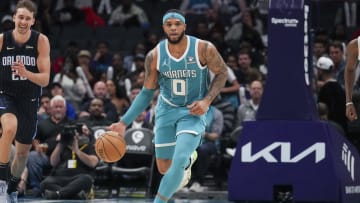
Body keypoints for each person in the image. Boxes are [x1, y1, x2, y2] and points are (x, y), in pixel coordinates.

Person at [109, 9, 228, 203]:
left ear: (184, 26)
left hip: (192, 111)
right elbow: (147, 93)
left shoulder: (203, 48)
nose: (173, 28)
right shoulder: (154, 55)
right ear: (164, 27)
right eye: (169, 24)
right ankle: (189, 160)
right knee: (164, 167)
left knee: (178, 160)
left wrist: (206, 100)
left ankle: (160, 200)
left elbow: (222, 72)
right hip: (166, 109)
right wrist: (123, 123)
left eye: (177, 24)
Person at [0, 0, 51, 202]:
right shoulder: (3, 40)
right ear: (14, 18)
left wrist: (26, 73)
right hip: (6, 95)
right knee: (9, 127)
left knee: (22, 155)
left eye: (27, 18)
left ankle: (12, 188)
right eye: (20, 17)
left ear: (33, 21)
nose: (23, 21)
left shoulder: (41, 41)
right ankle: (1, 183)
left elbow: (45, 79)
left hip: (29, 99)